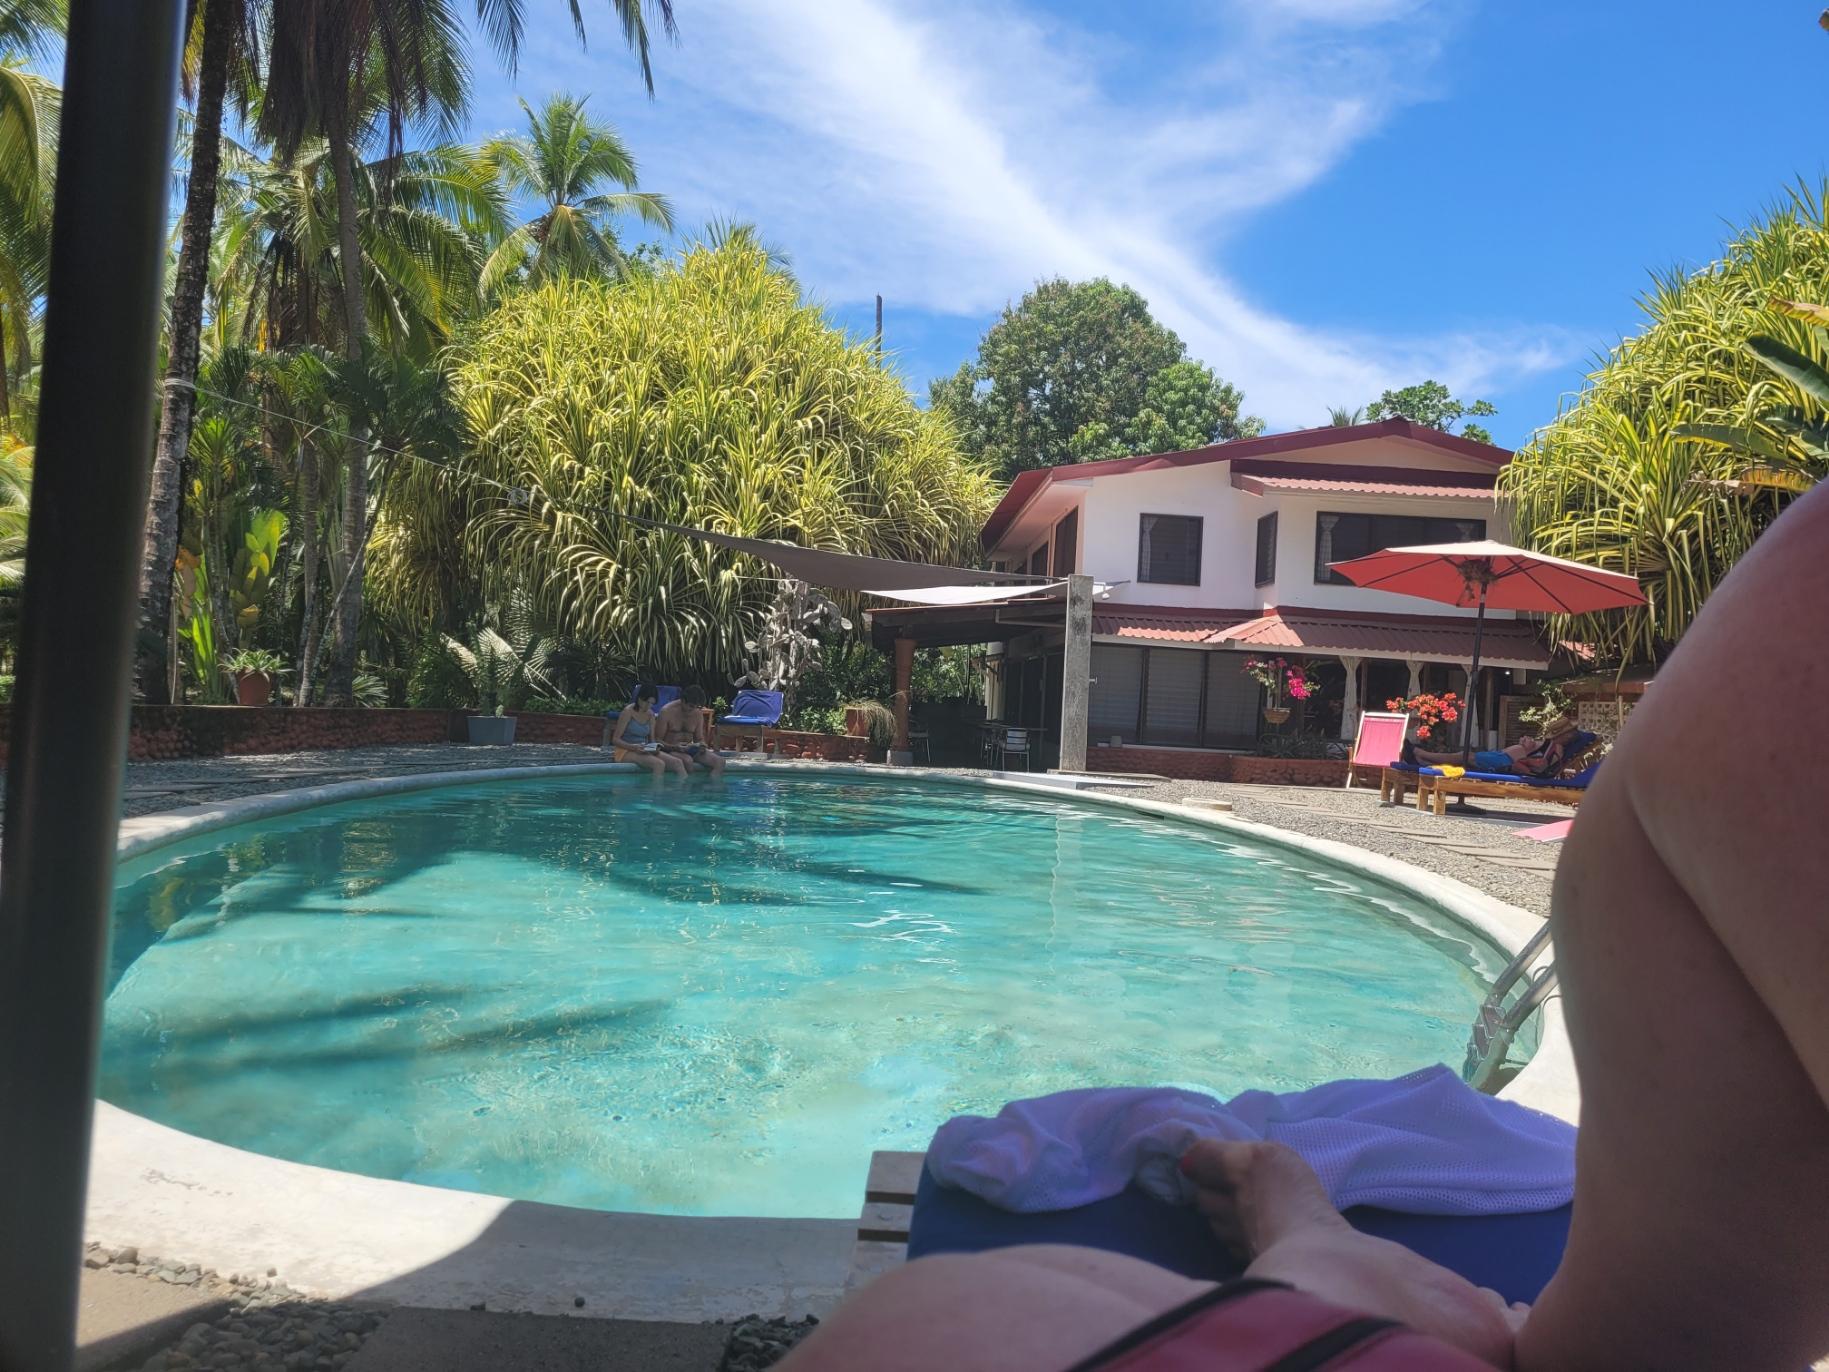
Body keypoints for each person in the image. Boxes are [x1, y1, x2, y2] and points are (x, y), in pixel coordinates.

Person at [782, 485, 1829, 1370]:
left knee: (914, 1330)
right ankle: (1318, 1260)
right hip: (1606, 1331)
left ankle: (1318, 1263)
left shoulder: (1789, 629)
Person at [1402, 714, 1583, 776]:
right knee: (1462, 756)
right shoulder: (1552, 744)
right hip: (1502, 757)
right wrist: (1528, 743)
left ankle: (1420, 754)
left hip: (1503, 762)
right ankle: (1422, 757)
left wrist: (1527, 750)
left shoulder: (1557, 749)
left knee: (1462, 756)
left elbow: (1540, 766)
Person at [606, 685, 687, 778]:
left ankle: (684, 791)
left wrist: (654, 747)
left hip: (643, 749)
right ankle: (655, 791)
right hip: (625, 750)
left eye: (651, 703)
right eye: (646, 702)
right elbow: (615, 740)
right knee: (659, 764)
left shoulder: (651, 714)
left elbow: (651, 740)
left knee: (677, 762)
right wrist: (633, 747)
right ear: (640, 698)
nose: (648, 706)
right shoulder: (628, 712)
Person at [657, 684, 725, 777]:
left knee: (720, 762)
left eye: (697, 707)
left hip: (690, 750)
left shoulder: (697, 713)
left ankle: (711, 788)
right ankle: (690, 789)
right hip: (670, 749)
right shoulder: (666, 712)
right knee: (687, 760)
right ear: (683, 700)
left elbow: (699, 738)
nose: (693, 709)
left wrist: (702, 745)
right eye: (691, 706)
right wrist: (674, 747)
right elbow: (656, 740)